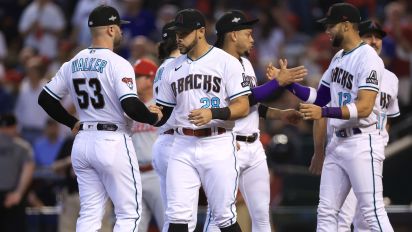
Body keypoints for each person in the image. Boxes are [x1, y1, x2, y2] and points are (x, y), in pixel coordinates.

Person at [37, 5, 163, 231]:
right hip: (112, 140)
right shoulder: (118, 63)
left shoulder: (73, 62)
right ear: (111, 30)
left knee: (89, 214)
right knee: (129, 214)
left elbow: (45, 99)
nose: (122, 32)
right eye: (119, 28)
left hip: (83, 141)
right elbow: (131, 105)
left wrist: (71, 122)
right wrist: (153, 118)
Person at [280, 3, 393, 231]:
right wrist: (287, 84)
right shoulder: (339, 57)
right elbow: (320, 97)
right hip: (337, 143)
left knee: (371, 213)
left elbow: (364, 107)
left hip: (362, 142)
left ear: (346, 25)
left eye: (331, 25)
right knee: (326, 212)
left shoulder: (368, 58)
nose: (327, 31)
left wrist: (324, 113)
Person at [204, 10, 304, 232]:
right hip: (226, 144)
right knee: (219, 216)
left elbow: (251, 105)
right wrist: (276, 83)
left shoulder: (246, 64)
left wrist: (280, 114)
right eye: (248, 34)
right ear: (232, 35)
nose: (252, 38)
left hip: (253, 145)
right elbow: (241, 102)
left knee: (261, 216)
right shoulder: (213, 63)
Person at [155, 8, 251, 232]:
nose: (179, 38)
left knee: (224, 217)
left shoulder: (226, 62)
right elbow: (163, 113)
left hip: (216, 143)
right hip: (182, 145)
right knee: (177, 217)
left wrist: (213, 113)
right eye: (177, 34)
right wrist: (149, 113)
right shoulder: (171, 68)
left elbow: (243, 106)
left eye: (184, 34)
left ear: (200, 31)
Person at [332, 19, 400, 232]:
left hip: (373, 151)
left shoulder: (391, 78)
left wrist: (380, 141)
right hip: (352, 144)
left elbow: (388, 116)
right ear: (358, 38)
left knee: (365, 219)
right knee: (343, 216)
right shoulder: (350, 68)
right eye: (368, 35)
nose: (374, 41)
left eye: (377, 37)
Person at [151, 21, 200, 232]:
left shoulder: (162, 67)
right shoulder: (178, 66)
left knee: (172, 217)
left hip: (163, 141)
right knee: (184, 218)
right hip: (177, 143)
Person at [130, 58, 164, 232]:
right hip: (135, 175)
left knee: (169, 223)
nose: (134, 80)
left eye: (138, 76)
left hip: (157, 173)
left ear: (151, 79)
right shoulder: (131, 108)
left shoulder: (162, 105)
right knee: (134, 227)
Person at [0, 113, 35, 232]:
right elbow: (28, 169)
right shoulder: (23, 146)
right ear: (15, 126)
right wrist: (18, 193)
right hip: (13, 195)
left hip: (12, 194)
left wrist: (18, 193)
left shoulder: (22, 147)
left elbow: (28, 168)